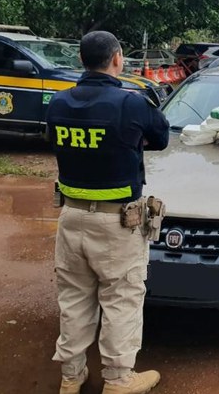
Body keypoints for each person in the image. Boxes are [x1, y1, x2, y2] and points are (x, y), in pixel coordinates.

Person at [47, 31, 169, 394]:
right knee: (121, 299)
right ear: (117, 59)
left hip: (70, 218)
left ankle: (71, 376)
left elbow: (54, 140)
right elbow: (160, 137)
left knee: (73, 299)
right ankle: (118, 380)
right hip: (118, 224)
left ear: (81, 60)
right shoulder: (130, 103)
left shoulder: (58, 102)